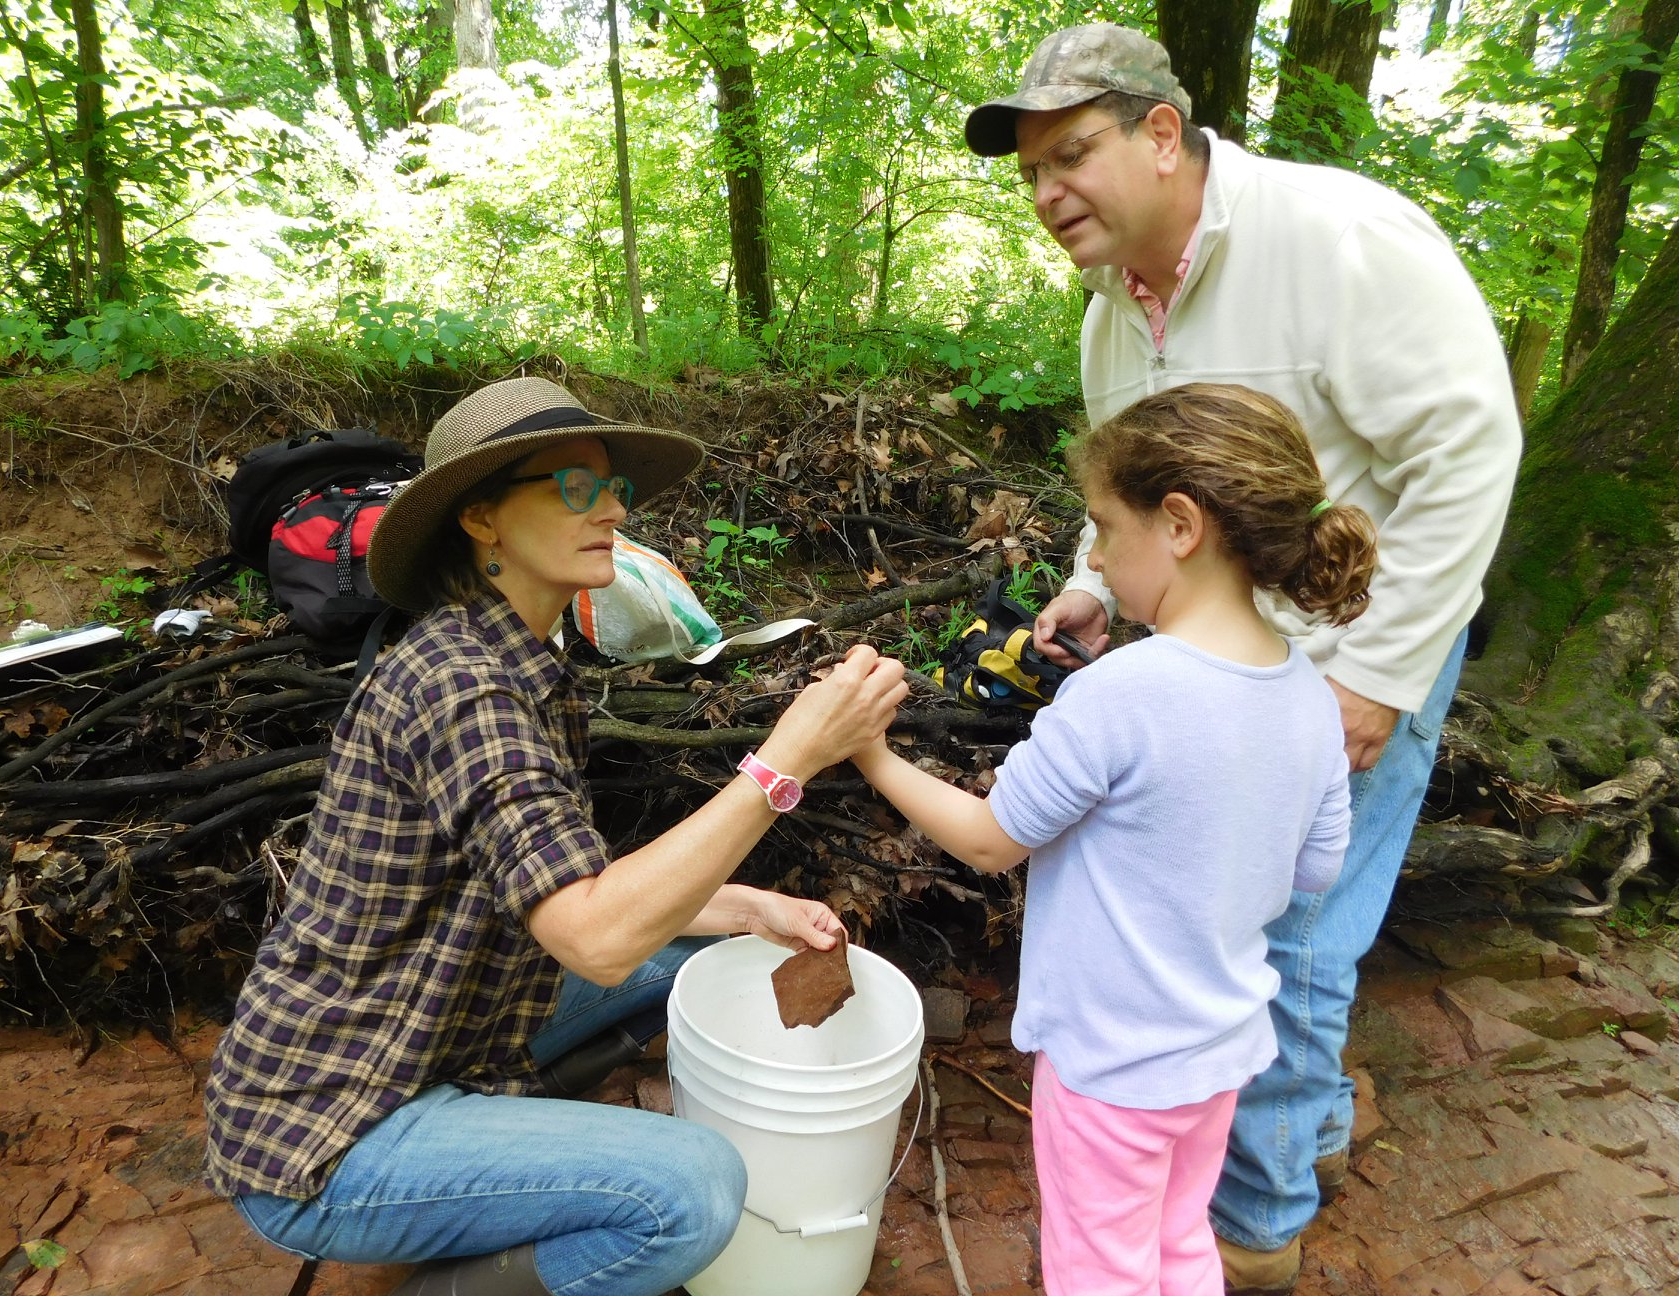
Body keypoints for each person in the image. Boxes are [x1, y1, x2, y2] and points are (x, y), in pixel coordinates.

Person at [962, 23, 1523, 1291]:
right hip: (1212, 660)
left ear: (1164, 134)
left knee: (1296, 931)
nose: (1049, 194)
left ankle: (1254, 1228)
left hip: (1358, 642)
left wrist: (1376, 674)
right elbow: (1137, 487)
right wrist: (1093, 585)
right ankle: (1306, 1128)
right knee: (1241, 918)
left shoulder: (1337, 241)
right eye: (1031, 173)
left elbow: (1472, 453)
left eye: (1072, 155)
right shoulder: (1114, 309)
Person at [202, 376, 909, 1296]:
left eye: (610, 485)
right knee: (693, 1191)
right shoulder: (467, 687)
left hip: (426, 1025)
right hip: (332, 1123)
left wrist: (745, 907)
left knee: (685, 959)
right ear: (484, 518)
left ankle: (501, 1161)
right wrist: (787, 760)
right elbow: (594, 934)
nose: (612, 506)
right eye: (576, 485)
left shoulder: (512, 657)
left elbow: (556, 877)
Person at [855, 383, 1370, 1296]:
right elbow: (1315, 869)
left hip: (1113, 1067)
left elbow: (987, 841)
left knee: (1100, 1270)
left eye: (1100, 526)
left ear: (1179, 523)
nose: (1092, 556)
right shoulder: (1307, 694)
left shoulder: (1120, 695)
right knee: (1177, 1242)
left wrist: (871, 756)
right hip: (1219, 1050)